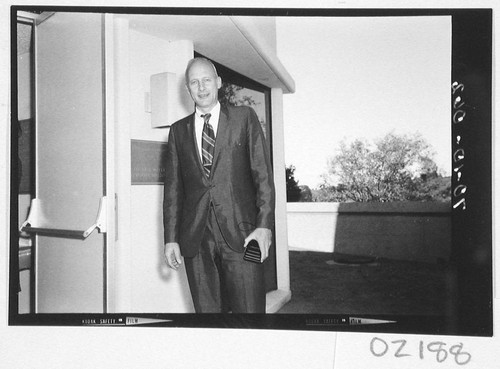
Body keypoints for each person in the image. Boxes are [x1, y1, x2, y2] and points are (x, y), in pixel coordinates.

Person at [163, 57, 275, 313]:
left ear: (218, 83)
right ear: (188, 89)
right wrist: (170, 239)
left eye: (206, 80)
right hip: (196, 240)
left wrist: (264, 227)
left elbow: (263, 178)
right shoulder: (178, 131)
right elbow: (173, 191)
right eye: (194, 82)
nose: (201, 87)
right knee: (207, 318)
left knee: (249, 314)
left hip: (245, 237)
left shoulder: (244, 117)